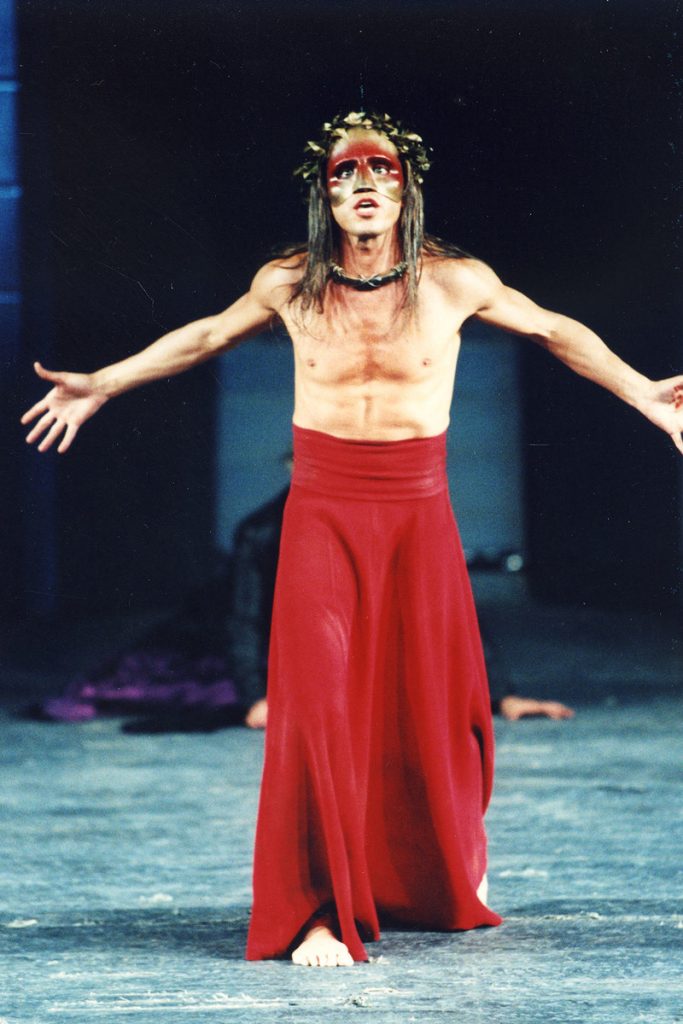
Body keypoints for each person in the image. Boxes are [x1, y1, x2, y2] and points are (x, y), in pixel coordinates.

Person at [22, 111, 683, 968]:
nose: (363, 184)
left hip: (416, 511)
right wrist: (104, 384)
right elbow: (207, 335)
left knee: (430, 704)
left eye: (381, 170)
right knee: (316, 706)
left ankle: (427, 876)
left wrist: (643, 394)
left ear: (406, 188)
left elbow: (557, 331)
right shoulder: (287, 284)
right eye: (344, 173)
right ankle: (317, 912)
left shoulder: (455, 282)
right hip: (324, 511)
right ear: (324, 195)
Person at [228, 482, 574, 729]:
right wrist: (256, 697)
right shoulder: (263, 532)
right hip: (302, 666)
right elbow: (246, 615)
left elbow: (449, 609)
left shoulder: (388, 519)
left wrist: (501, 695)